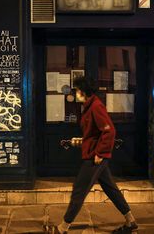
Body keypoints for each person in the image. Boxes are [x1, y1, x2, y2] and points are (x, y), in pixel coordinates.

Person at [48, 76, 138, 234]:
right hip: (94, 153)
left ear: (83, 92)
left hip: (94, 157)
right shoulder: (88, 106)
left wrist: (100, 153)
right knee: (111, 189)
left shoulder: (96, 106)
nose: (74, 93)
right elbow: (95, 132)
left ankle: (62, 228)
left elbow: (109, 131)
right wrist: (83, 141)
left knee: (79, 190)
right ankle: (130, 221)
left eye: (76, 90)